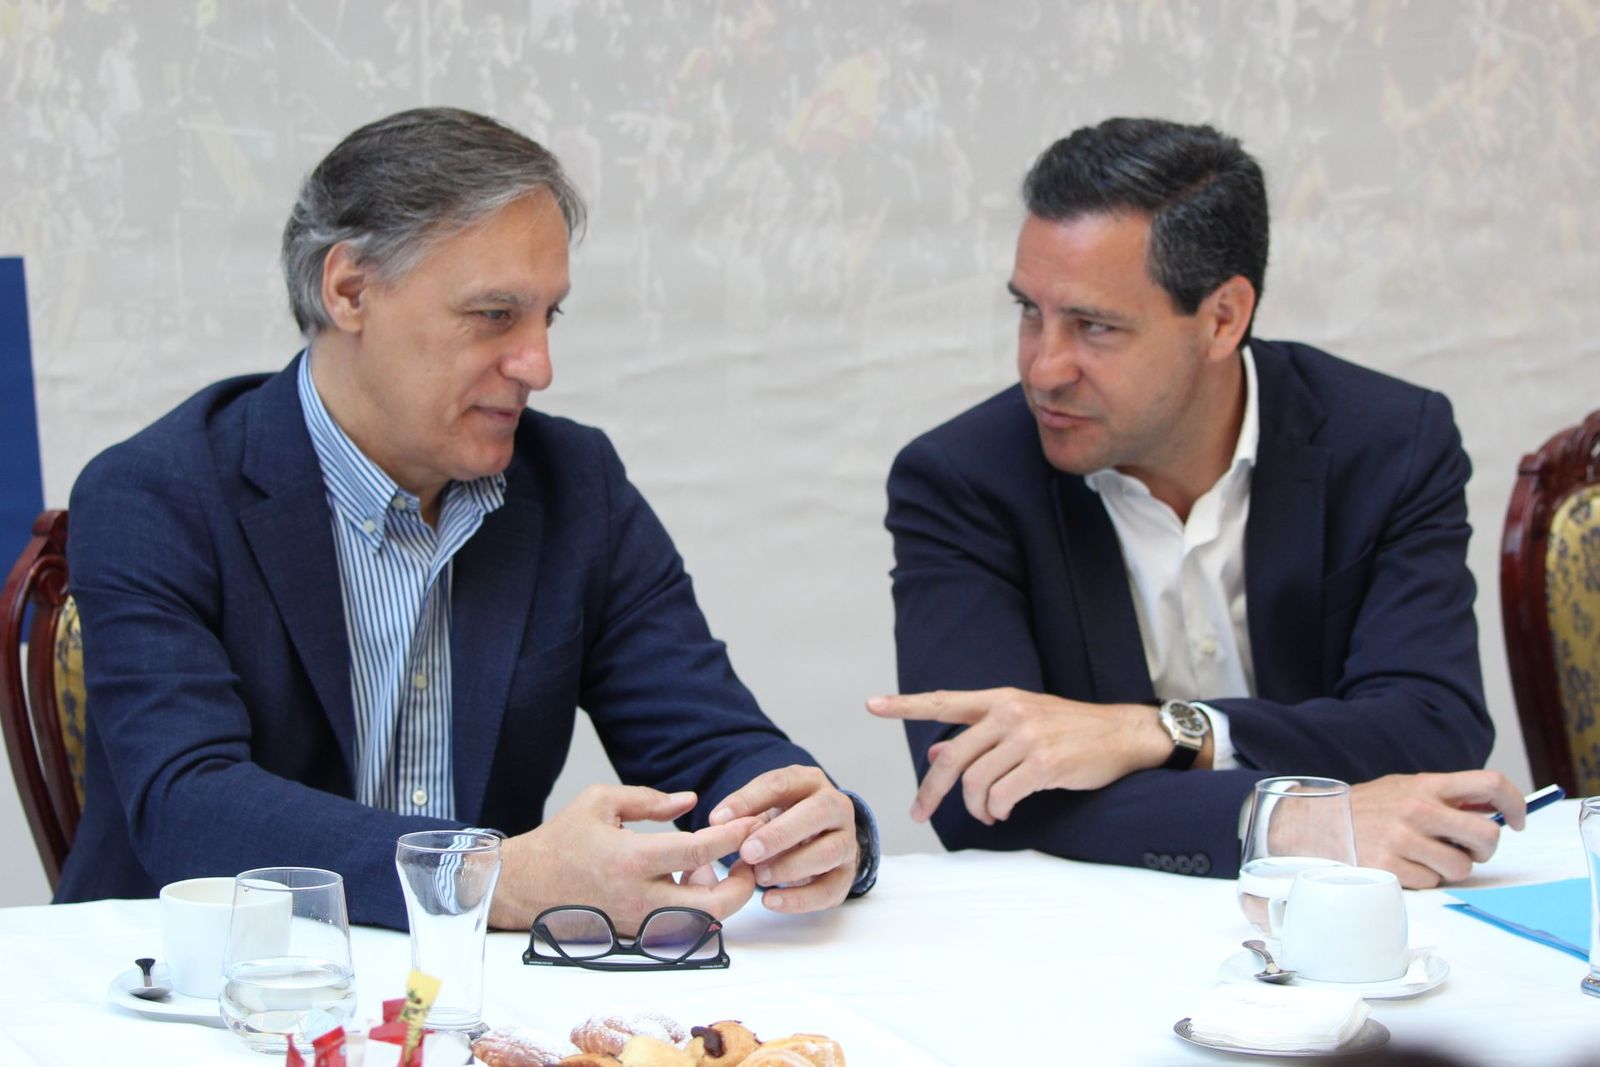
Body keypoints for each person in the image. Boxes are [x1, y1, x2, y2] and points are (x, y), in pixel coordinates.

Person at [56, 107, 876, 931]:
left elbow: (707, 741)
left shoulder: (571, 485)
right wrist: (490, 875)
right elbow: (187, 806)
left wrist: (810, 822)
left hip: (473, 1006)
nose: (539, 366)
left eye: (547, 316)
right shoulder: (158, 492)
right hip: (198, 993)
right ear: (348, 289)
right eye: (494, 315)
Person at [870, 117, 1524, 887]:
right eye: (1029, 312)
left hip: (1361, 918)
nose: (1044, 368)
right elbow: (973, 795)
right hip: (1099, 937)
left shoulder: (1387, 443)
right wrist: (1284, 820)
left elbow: (1431, 728)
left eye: (1094, 326)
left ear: (1222, 318)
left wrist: (1156, 734)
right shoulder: (962, 480)